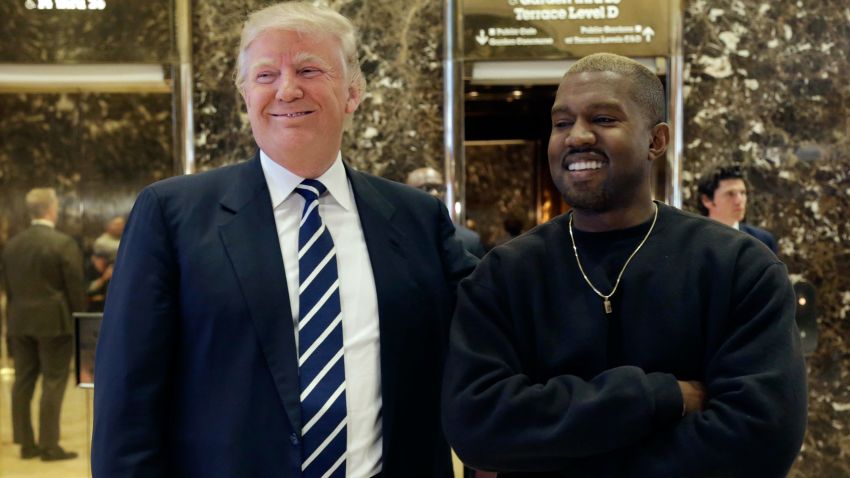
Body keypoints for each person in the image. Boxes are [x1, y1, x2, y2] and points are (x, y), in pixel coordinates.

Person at [91, 3, 477, 477]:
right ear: (244, 95)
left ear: (353, 92)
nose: (286, 89)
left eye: (309, 69)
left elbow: (488, 336)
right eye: (265, 74)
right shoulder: (172, 216)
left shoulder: (417, 219)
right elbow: (126, 402)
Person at [442, 53, 807, 477]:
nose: (577, 136)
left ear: (656, 140)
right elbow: (477, 427)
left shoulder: (739, 267)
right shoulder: (504, 274)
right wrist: (662, 396)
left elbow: (762, 438)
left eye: (603, 118)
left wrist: (559, 449)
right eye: (561, 123)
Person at [1, 188, 86, 461]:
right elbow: (75, 288)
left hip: (19, 321)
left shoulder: (11, 245)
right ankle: (50, 445)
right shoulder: (63, 243)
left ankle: (26, 443)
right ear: (51, 209)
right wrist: (80, 320)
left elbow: (7, 287)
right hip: (54, 322)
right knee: (53, 380)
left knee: (23, 381)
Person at [406, 166, 486, 258]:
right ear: (406, 192)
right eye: (426, 188)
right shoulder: (395, 236)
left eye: (439, 188)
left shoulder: (469, 241)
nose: (435, 193)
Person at [697, 164, 778, 253]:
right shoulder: (692, 241)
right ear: (707, 200)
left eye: (743, 193)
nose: (739, 200)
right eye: (730, 194)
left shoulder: (762, 241)